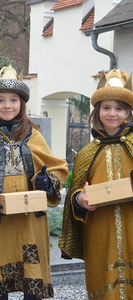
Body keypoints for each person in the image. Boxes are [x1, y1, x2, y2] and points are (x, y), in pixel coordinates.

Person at [0, 65, 68, 300]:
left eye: (13, 100)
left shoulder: (34, 134)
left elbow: (57, 168)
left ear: (22, 103)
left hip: (28, 221)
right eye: (0, 100)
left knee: (32, 274)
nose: (7, 105)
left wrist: (45, 181)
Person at [59, 69, 133, 299]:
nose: (112, 113)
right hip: (99, 230)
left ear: (129, 114)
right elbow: (76, 192)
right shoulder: (86, 153)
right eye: (106, 107)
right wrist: (80, 200)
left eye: (119, 108)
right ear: (97, 111)